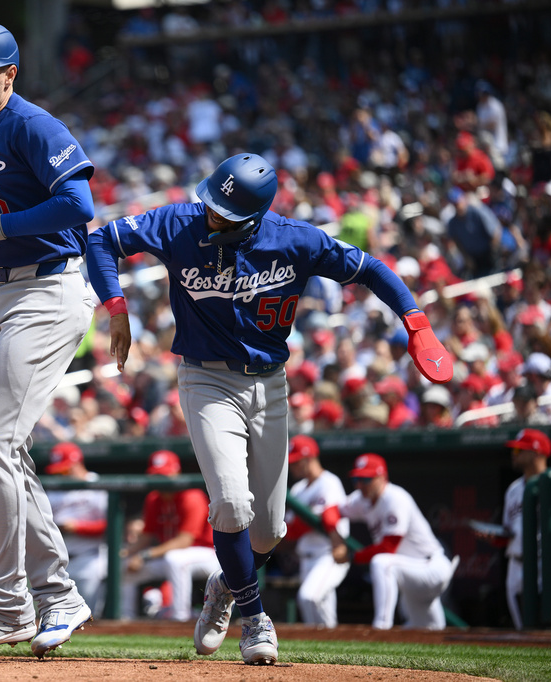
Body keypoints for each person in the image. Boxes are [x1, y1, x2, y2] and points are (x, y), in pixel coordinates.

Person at [86, 152, 452, 664]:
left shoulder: (295, 240)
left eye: (225, 213)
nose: (211, 214)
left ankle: (225, 584)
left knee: (268, 531)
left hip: (270, 384)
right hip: (207, 378)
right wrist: (116, 308)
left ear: (253, 218)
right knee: (231, 505)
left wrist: (415, 321)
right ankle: (254, 617)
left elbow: (370, 269)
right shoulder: (178, 222)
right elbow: (101, 240)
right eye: (210, 202)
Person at [0, 21, 95, 658]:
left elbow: (78, 204)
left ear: (10, 74)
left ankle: (4, 606)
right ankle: (59, 596)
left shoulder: (32, 124)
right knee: (5, 451)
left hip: (47, 291)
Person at [323, 454, 458, 630]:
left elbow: (388, 547)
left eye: (366, 479)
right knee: (428, 631)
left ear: (382, 477)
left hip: (430, 567)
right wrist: (336, 539)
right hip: (411, 574)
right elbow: (330, 511)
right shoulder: (361, 499)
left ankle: (381, 627)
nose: (360, 485)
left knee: (382, 563)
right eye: (357, 479)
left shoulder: (395, 498)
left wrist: (350, 556)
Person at [479, 429, 551, 629]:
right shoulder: (513, 489)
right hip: (516, 564)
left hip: (549, 564)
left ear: (536, 453)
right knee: (523, 629)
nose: (514, 454)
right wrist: (494, 537)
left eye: (520, 450)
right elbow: (510, 531)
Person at [119, 450, 219, 623]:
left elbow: (185, 540)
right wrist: (127, 553)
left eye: (164, 475)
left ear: (176, 473)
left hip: (207, 554)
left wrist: (145, 555)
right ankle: (125, 619)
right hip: (169, 555)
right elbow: (145, 537)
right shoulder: (153, 498)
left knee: (175, 559)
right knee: (125, 567)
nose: (160, 480)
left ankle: (180, 618)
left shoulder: (192, 496)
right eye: (156, 475)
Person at [283, 435, 350, 628]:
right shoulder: (298, 488)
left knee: (308, 598)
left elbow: (330, 518)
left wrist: (337, 543)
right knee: (323, 614)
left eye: (296, 462)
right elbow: (291, 529)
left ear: (309, 458)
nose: (293, 467)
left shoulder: (329, 482)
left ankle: (322, 643)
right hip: (306, 558)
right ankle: (332, 645)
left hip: (328, 555)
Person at [43, 442, 108, 614]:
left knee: (89, 615)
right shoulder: (55, 488)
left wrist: (79, 527)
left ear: (76, 464)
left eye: (64, 469)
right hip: (56, 562)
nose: (61, 474)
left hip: (89, 558)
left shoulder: (97, 484)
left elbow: (110, 526)